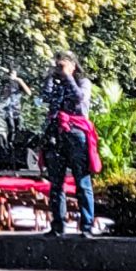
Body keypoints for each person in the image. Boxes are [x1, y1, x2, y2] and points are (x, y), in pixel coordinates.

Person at [43, 51, 99, 237]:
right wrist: (50, 77)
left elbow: (78, 98)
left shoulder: (83, 82)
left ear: (73, 65)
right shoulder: (57, 84)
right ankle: (57, 225)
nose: (60, 67)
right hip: (56, 135)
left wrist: (67, 76)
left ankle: (86, 226)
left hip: (76, 135)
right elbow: (46, 98)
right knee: (56, 185)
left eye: (63, 64)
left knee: (82, 182)